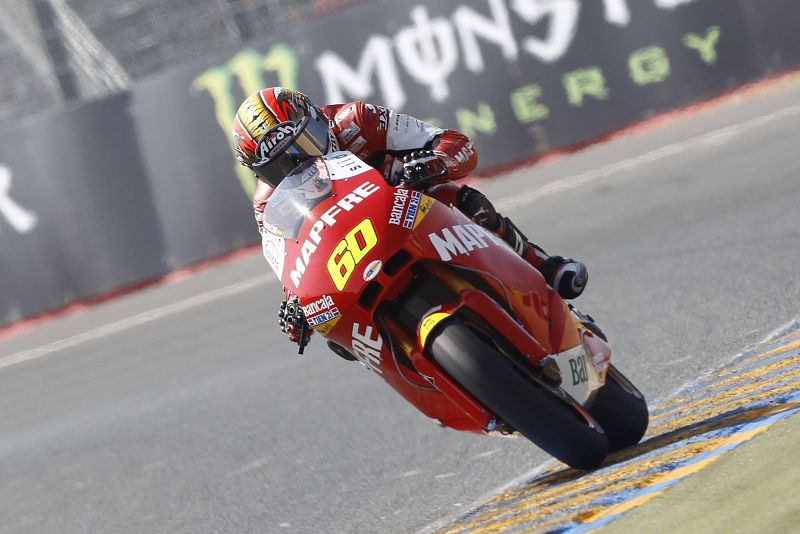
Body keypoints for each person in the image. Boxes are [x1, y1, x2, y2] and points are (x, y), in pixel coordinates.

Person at [231, 87, 588, 347]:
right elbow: (293, 272)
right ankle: (435, 385)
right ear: (261, 175)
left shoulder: (357, 120)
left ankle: (542, 267)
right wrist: (295, 309)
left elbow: (455, 143)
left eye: (305, 143)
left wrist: (435, 162)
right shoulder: (267, 206)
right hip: (352, 261)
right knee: (337, 337)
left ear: (318, 119)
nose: (301, 164)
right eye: (280, 166)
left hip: (411, 213)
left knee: (457, 196)